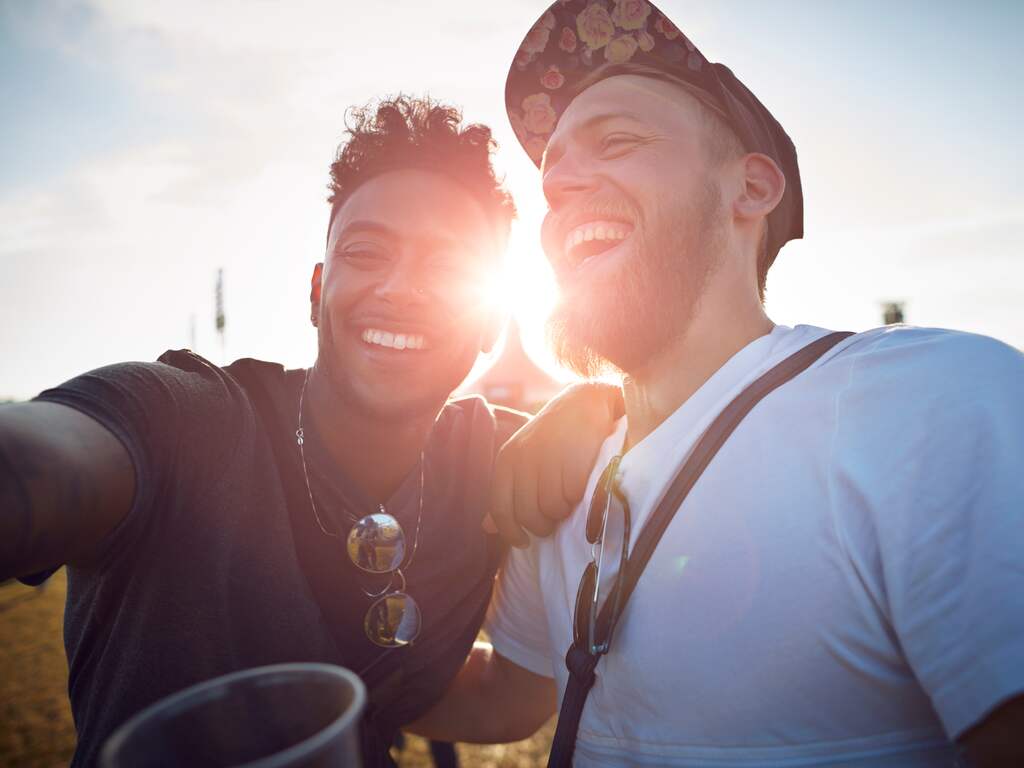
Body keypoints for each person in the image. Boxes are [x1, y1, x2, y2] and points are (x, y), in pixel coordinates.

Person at [409, 2, 1024, 766]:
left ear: (751, 189)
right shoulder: (560, 478)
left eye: (619, 142)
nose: (562, 182)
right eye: (553, 172)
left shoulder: (928, 401)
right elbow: (513, 698)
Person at [0, 95, 620, 768]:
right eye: (366, 251)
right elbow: (44, 460)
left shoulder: (493, 459)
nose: (400, 288)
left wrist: (603, 403)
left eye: (446, 266)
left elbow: (511, 696)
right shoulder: (183, 418)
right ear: (317, 291)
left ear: (489, 324)